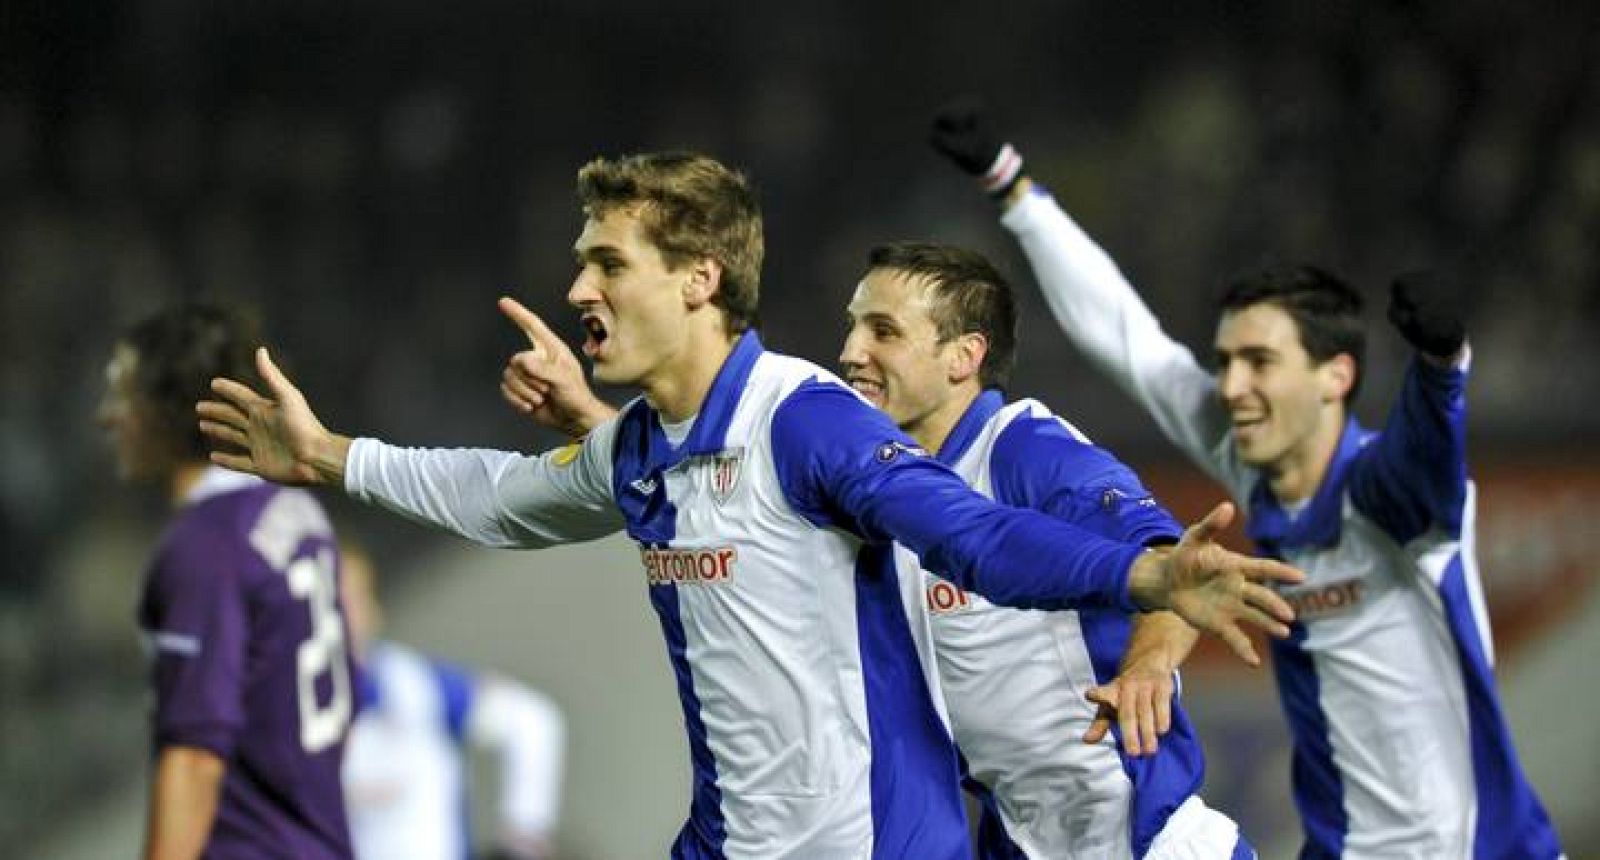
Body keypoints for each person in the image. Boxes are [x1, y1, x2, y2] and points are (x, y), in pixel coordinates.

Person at [197, 151, 1302, 858]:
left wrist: (1148, 577)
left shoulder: (807, 418)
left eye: (605, 261)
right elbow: (501, 494)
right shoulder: (640, 446)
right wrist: (335, 455)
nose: (579, 287)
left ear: (697, 280)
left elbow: (970, 532)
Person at [930, 102, 1564, 859]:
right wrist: (1014, 189)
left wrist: (1441, 369)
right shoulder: (1251, 463)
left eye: (1258, 362)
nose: (1231, 386)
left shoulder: (1387, 496)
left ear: (1336, 376)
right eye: (1226, 360)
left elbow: (1431, 457)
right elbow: (1133, 344)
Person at [506, 238, 1254, 858]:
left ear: (964, 356)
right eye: (854, 326)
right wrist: (595, 423)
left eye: (884, 332)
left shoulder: (1022, 447)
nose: (850, 352)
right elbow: (722, 483)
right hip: (1018, 842)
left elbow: (1174, 562)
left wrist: (1151, 663)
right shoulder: (869, 489)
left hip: (1149, 840)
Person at [98, 303, 353, 859]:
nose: (107, 416)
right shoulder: (297, 514)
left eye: (122, 392)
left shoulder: (205, 547)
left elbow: (193, 757)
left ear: (170, 407)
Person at [340, 539, 566, 860]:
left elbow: (532, 722)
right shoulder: (279, 703)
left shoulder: (414, 683)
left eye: (351, 599)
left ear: (372, 608)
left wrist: (522, 841)